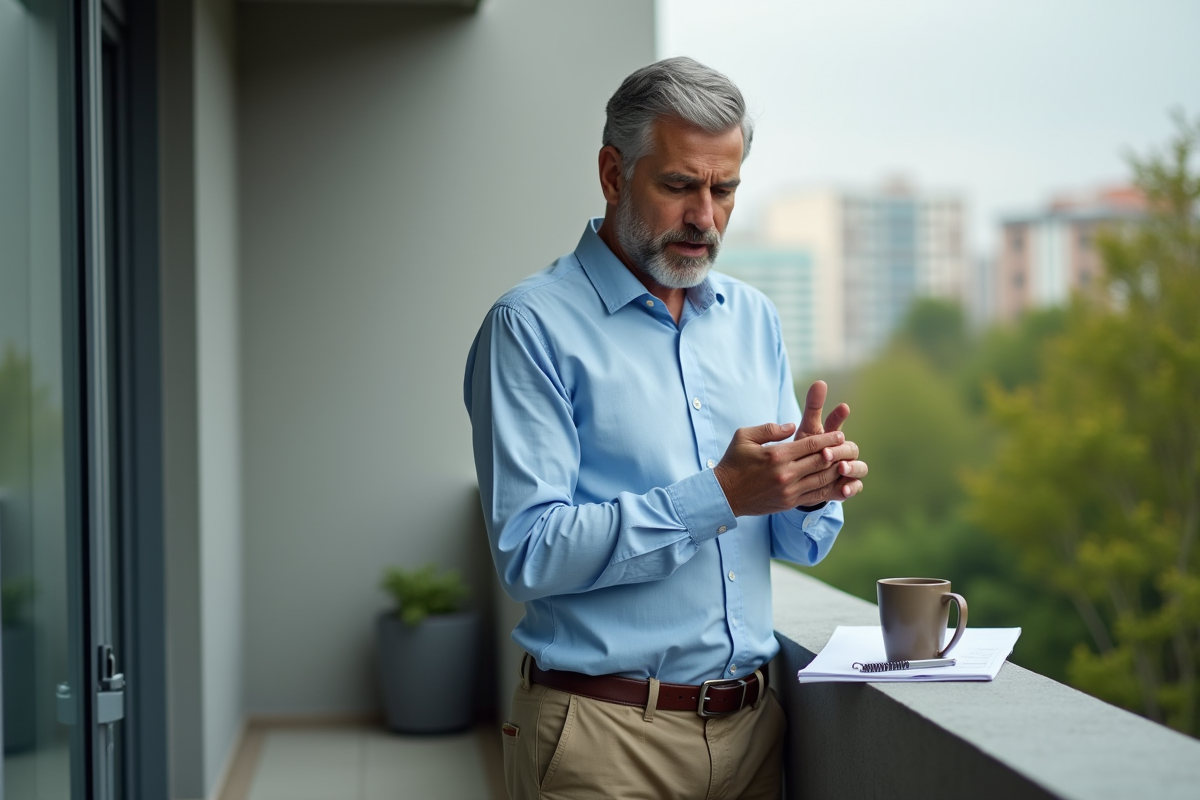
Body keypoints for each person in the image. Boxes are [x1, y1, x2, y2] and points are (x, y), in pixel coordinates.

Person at [464, 57, 867, 800]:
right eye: (680, 186)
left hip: (755, 736)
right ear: (613, 175)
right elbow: (529, 553)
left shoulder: (754, 319)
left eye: (725, 189)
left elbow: (791, 541)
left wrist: (806, 487)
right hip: (601, 742)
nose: (704, 217)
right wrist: (721, 494)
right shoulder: (529, 326)